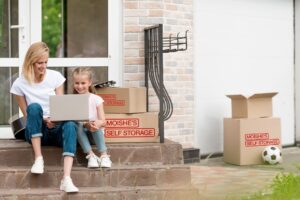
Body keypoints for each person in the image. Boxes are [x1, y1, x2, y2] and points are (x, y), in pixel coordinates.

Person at [10, 42, 79, 193]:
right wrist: (44, 120)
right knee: (34, 107)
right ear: (31, 62)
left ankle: (66, 179)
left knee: (70, 125)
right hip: (36, 129)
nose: (43, 66)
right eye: (40, 63)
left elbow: (61, 109)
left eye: (46, 62)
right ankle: (38, 158)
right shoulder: (19, 84)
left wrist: (55, 120)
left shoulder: (55, 77)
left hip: (55, 127)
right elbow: (28, 116)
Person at [72, 67, 112, 168]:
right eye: (77, 83)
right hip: (81, 136)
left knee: (94, 123)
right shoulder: (71, 100)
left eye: (83, 83)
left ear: (89, 82)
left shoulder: (96, 99)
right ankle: (91, 156)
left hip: (95, 135)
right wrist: (85, 123)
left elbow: (104, 122)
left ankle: (104, 155)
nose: (80, 86)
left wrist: (97, 123)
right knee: (78, 124)